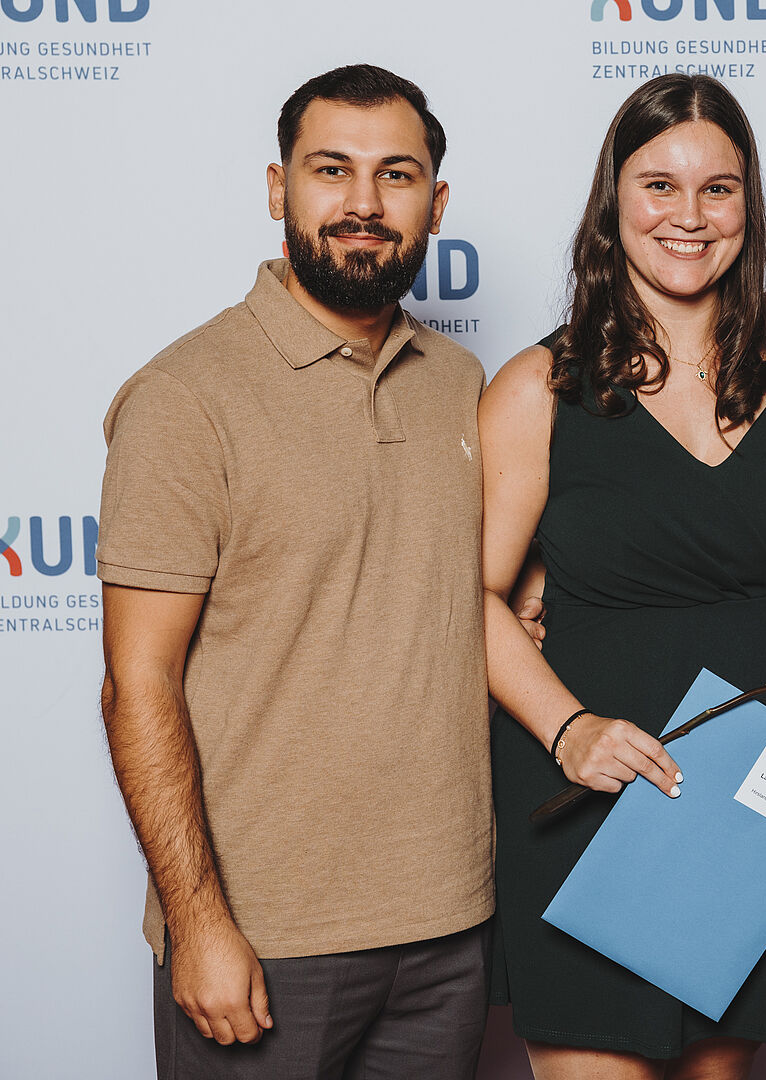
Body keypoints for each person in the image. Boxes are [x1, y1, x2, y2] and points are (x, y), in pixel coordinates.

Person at [97, 65, 492, 1078]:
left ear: (436, 201)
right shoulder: (185, 397)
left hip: (450, 921)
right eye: (331, 170)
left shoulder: (460, 383)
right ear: (279, 189)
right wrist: (197, 920)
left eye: (396, 174)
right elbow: (138, 682)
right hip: (266, 933)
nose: (364, 202)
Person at [479, 73, 766, 1080]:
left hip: (748, 792)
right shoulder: (536, 387)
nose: (689, 217)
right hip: (593, 789)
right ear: (612, 201)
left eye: (718, 189)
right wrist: (567, 729)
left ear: (749, 204)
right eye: (659, 186)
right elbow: (467, 598)